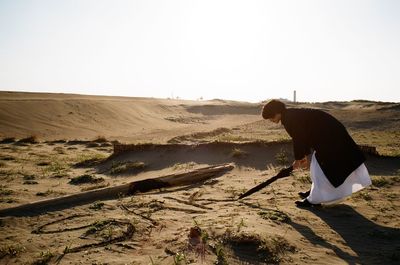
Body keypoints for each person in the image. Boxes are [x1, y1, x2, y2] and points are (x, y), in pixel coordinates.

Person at [262, 99, 372, 207]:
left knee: (319, 169)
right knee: (317, 167)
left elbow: (298, 139)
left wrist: (298, 159)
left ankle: (314, 200)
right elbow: (303, 136)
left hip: (332, 138)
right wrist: (303, 156)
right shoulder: (290, 115)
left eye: (271, 116)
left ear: (277, 112)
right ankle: (314, 193)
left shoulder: (291, 118)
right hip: (330, 137)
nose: (271, 120)